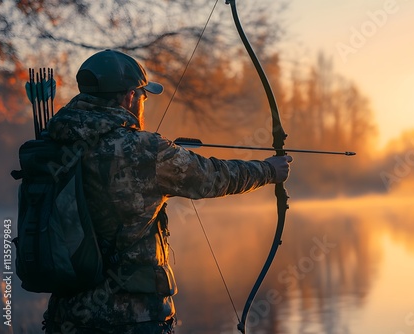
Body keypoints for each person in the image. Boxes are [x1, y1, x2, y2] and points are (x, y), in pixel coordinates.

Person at [42, 49, 292, 334]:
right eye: (144, 97)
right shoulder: (142, 150)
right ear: (130, 97)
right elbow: (212, 178)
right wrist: (270, 171)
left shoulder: (52, 142)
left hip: (66, 316)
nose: (143, 104)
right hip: (131, 318)